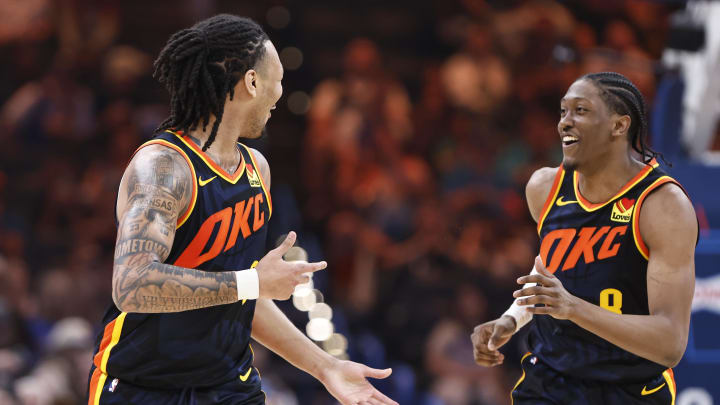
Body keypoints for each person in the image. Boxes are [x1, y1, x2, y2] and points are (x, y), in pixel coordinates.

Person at [87, 14, 397, 405]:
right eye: (278, 79)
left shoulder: (256, 170)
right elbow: (131, 284)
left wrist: (325, 367)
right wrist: (250, 283)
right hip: (143, 387)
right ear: (251, 82)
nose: (281, 94)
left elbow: (244, 296)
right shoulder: (165, 168)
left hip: (229, 387)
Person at [471, 72, 697, 404]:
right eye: (563, 112)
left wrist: (573, 308)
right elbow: (554, 271)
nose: (564, 123)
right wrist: (511, 319)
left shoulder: (662, 206)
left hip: (629, 389)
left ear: (619, 126)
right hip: (548, 383)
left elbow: (670, 343)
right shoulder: (544, 187)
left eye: (581, 111)